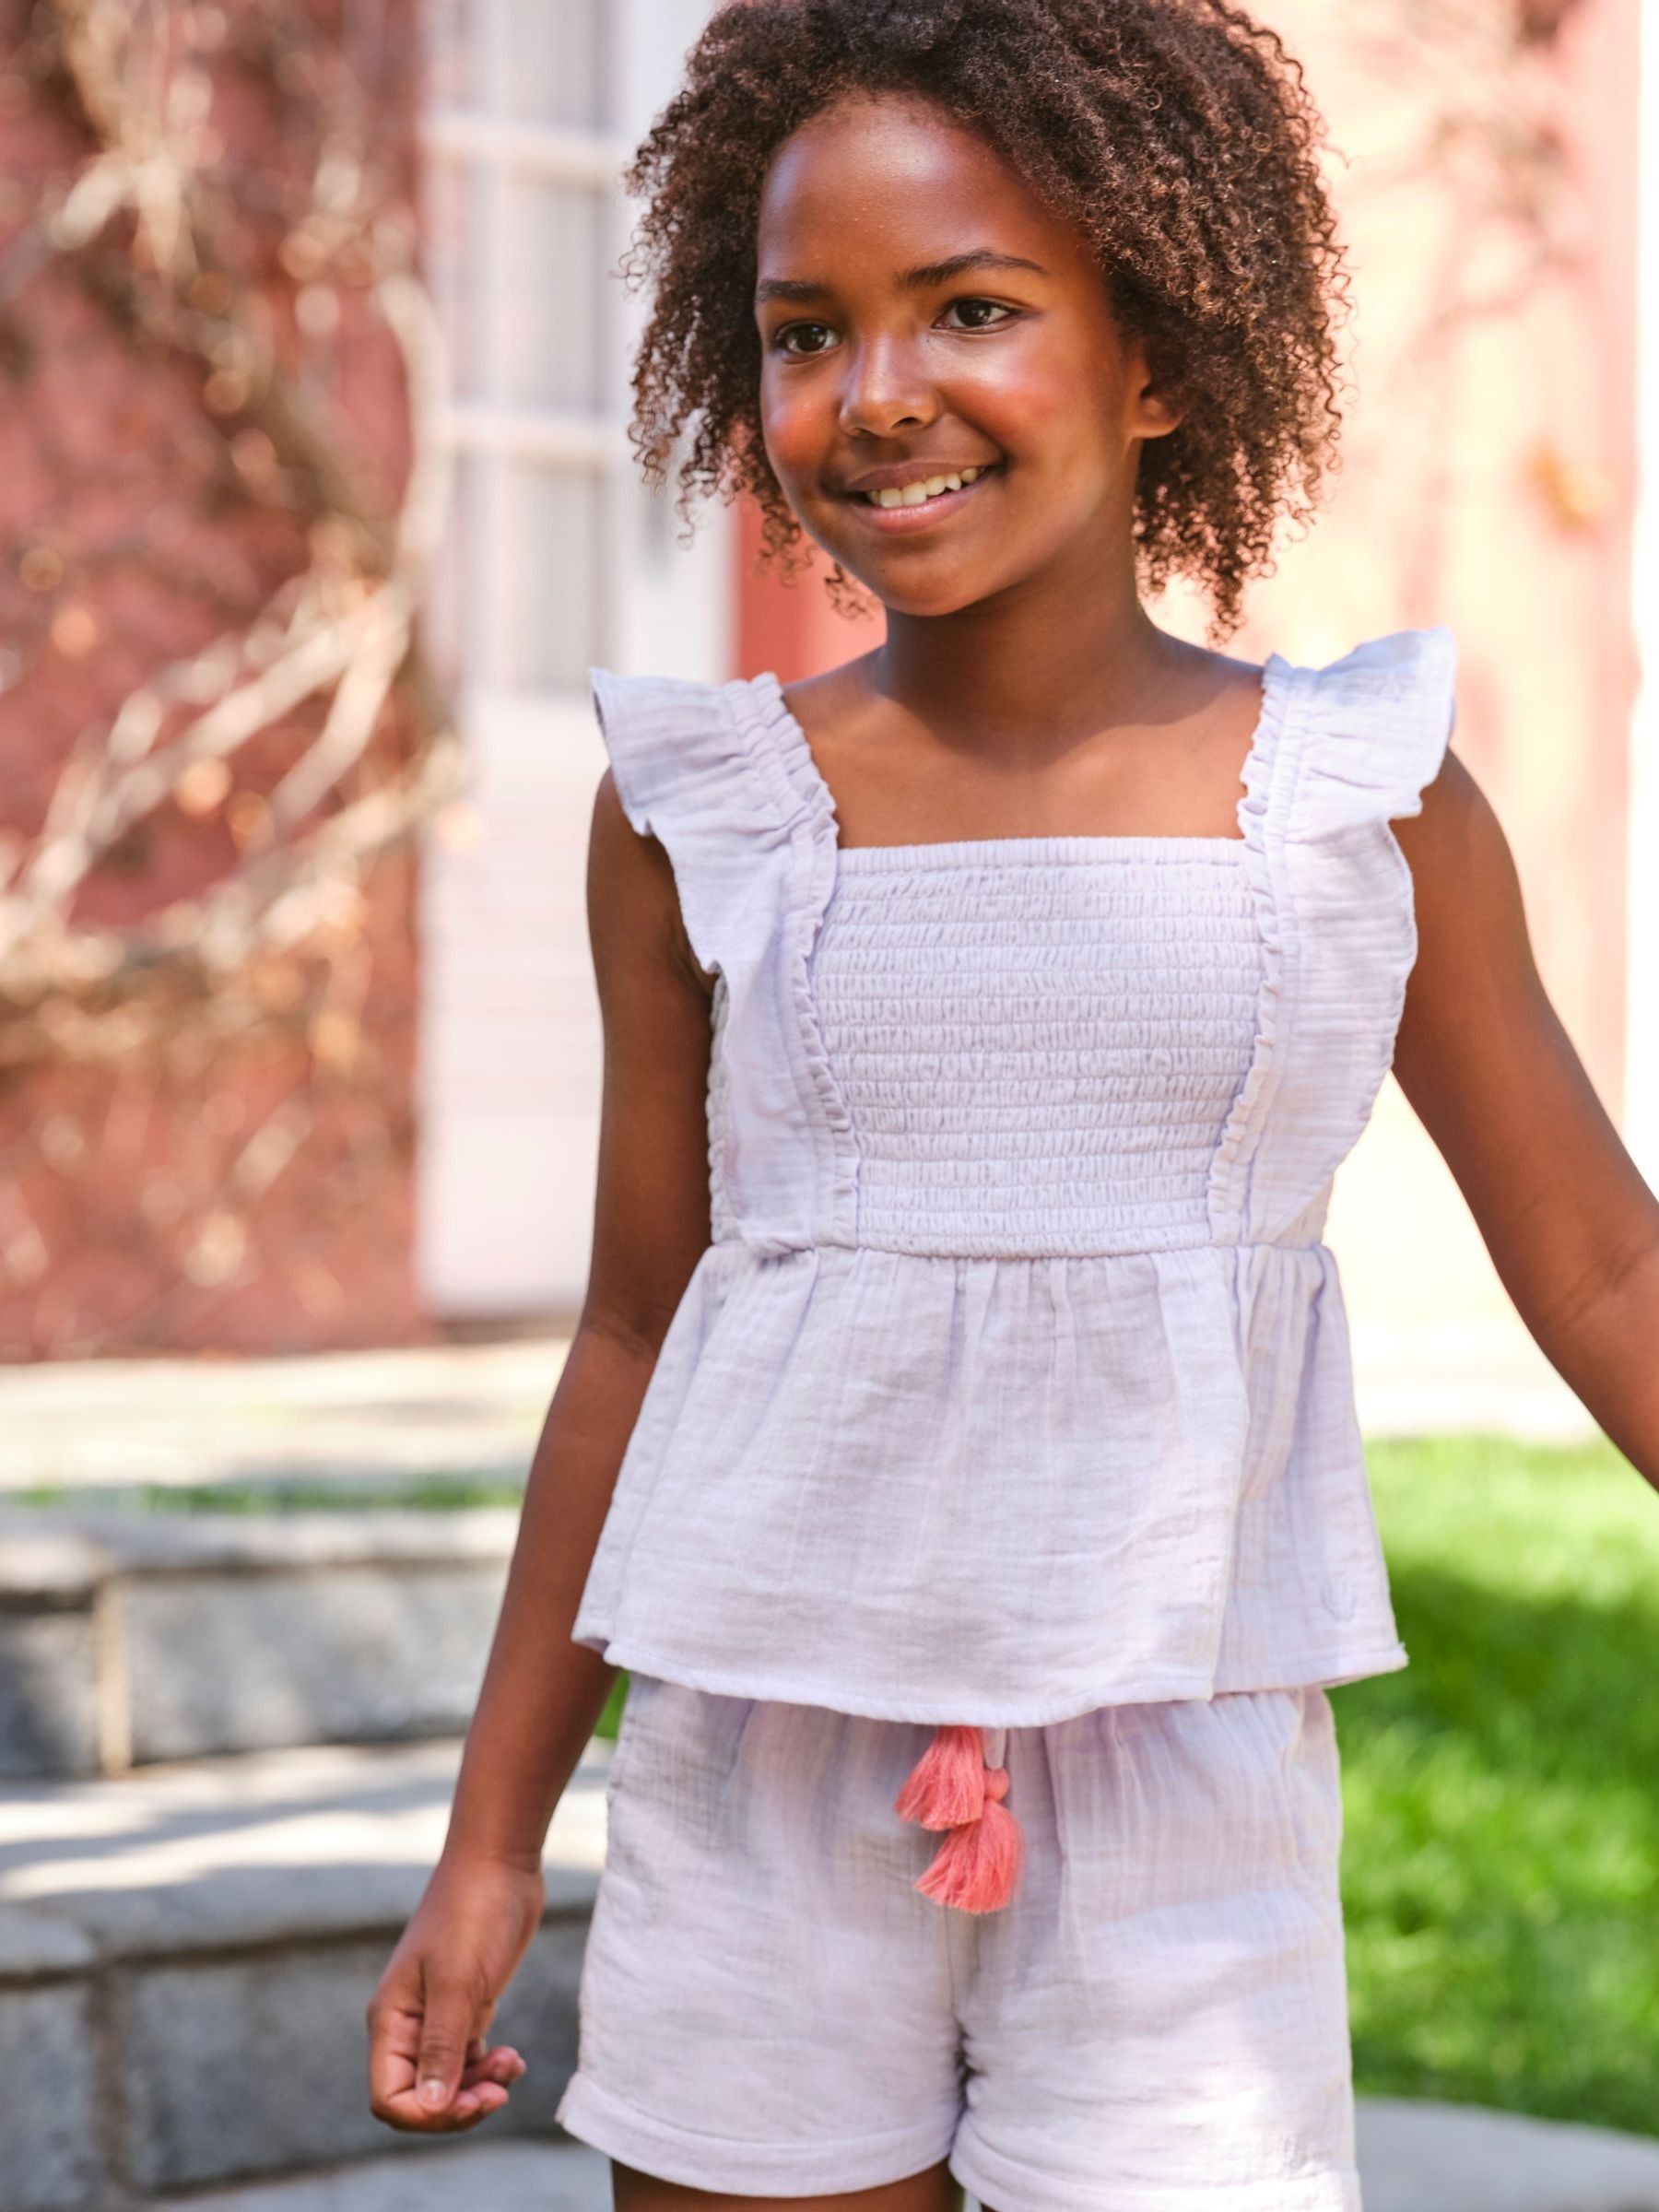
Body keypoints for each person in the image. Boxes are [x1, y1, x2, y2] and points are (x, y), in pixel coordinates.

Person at [366, 3, 1659, 2206]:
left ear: (1158, 355)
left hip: (1181, 1793)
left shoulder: (1354, 804)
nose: (877, 394)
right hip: (762, 1771)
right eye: (806, 331)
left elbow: (1609, 1265)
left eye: (972, 308)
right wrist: (493, 1844)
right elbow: (635, 1329)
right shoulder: (704, 811)